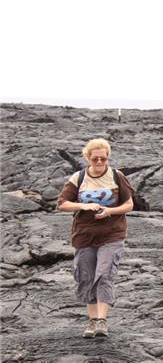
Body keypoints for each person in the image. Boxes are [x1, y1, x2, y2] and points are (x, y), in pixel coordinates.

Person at [57, 138, 134, 338]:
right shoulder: (78, 178)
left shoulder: (117, 176)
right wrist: (83, 206)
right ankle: (91, 322)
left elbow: (129, 204)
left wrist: (110, 211)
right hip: (84, 236)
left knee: (105, 274)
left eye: (103, 158)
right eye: (95, 158)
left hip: (112, 235)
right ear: (88, 158)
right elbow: (63, 203)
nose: (100, 162)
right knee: (86, 276)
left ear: (108, 157)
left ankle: (102, 321)